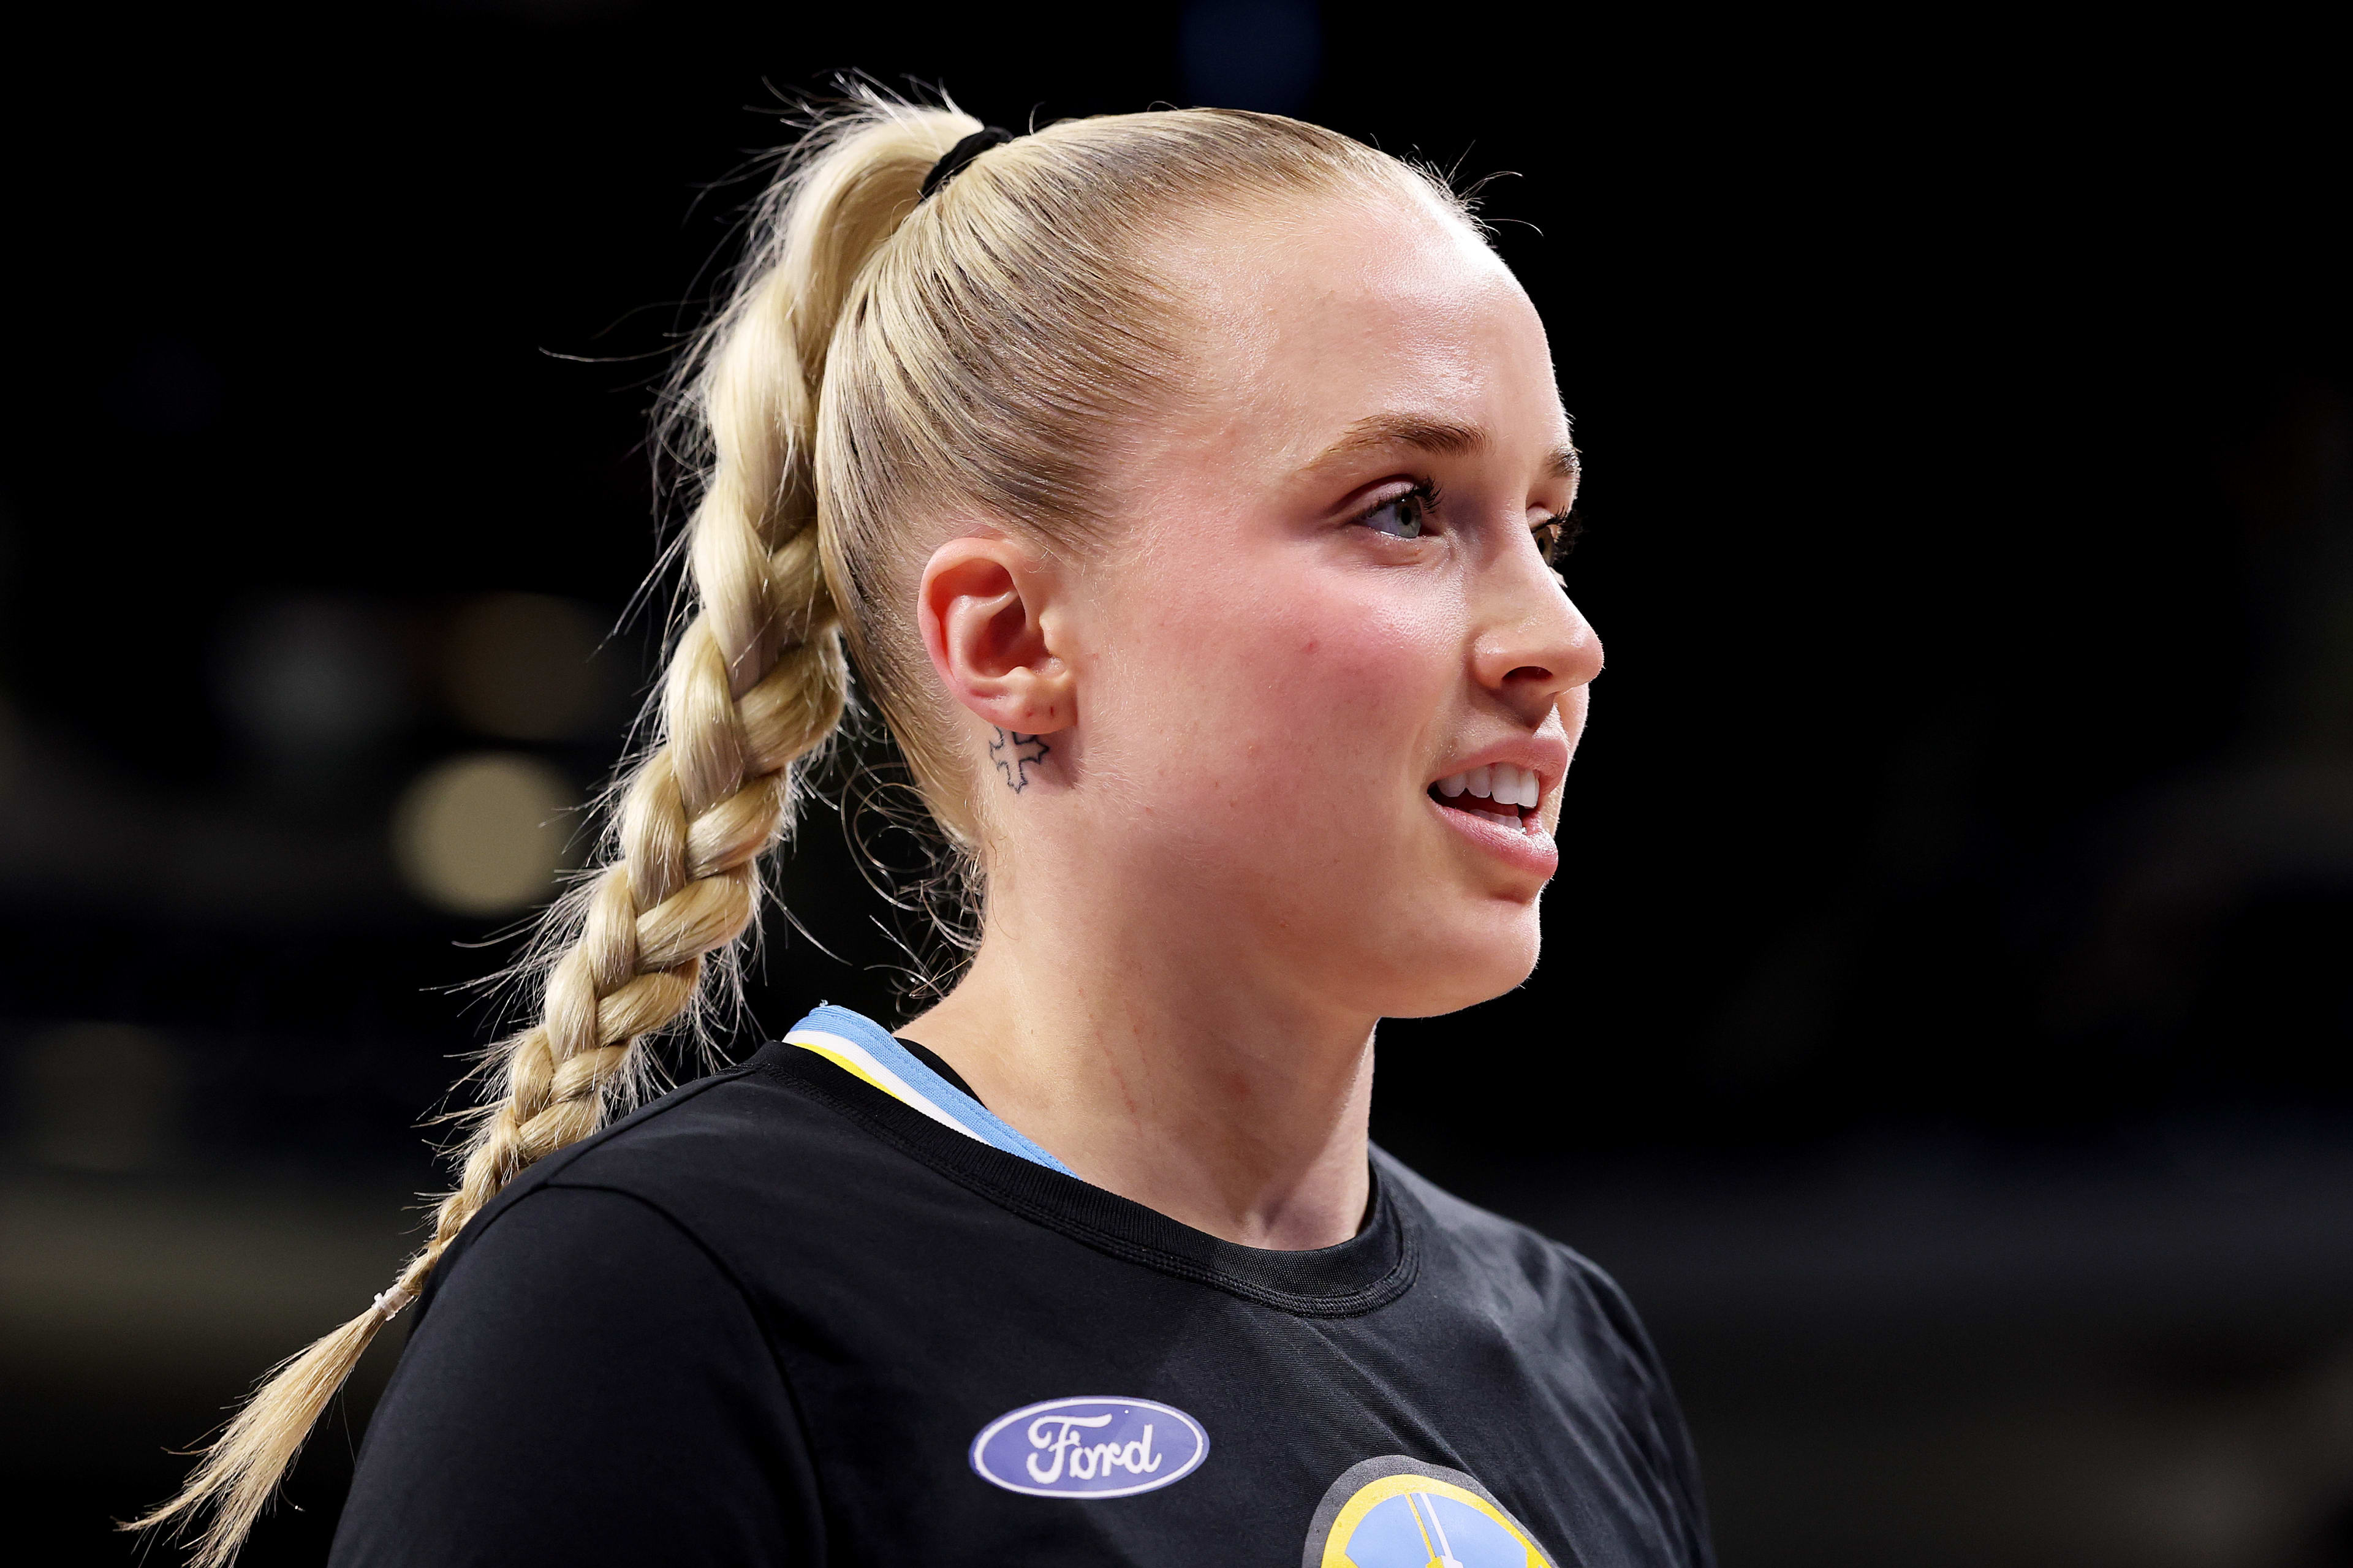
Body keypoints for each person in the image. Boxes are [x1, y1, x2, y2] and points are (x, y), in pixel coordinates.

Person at [138, 94, 1712, 1568]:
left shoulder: (1573, 1345)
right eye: (1403, 508)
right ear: (1011, 635)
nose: (1558, 635)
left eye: (1547, 525)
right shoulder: (660, 1302)